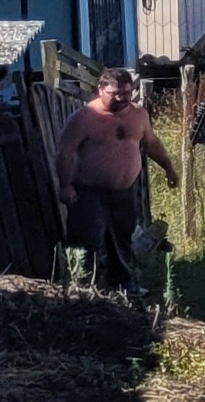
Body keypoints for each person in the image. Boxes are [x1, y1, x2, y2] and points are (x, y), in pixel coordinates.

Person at [50, 70, 173, 301]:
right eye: (115, 94)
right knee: (88, 238)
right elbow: (64, 154)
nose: (122, 98)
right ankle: (84, 287)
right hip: (89, 190)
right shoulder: (85, 118)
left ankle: (124, 284)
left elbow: (152, 143)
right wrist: (65, 185)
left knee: (122, 236)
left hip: (124, 191)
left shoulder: (138, 115)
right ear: (101, 90)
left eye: (126, 93)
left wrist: (168, 167)